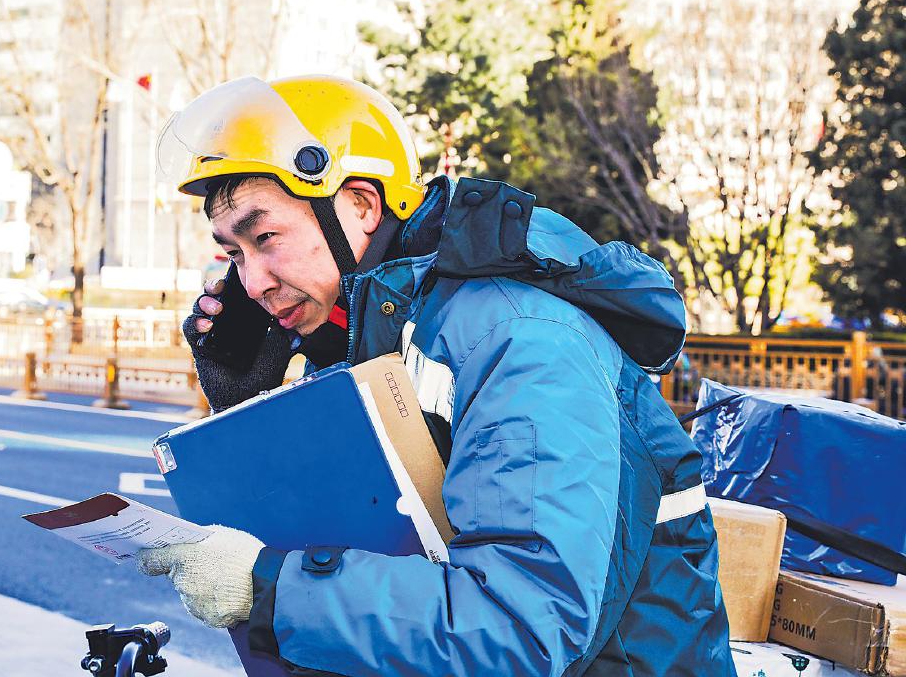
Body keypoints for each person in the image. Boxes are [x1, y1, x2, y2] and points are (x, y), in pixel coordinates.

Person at [137, 75, 735, 676]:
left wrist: (270, 590)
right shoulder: (373, 333)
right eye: (234, 254)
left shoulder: (518, 339)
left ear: (362, 205)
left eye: (265, 238)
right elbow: (353, 536)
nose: (252, 282)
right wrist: (249, 412)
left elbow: (522, 628)